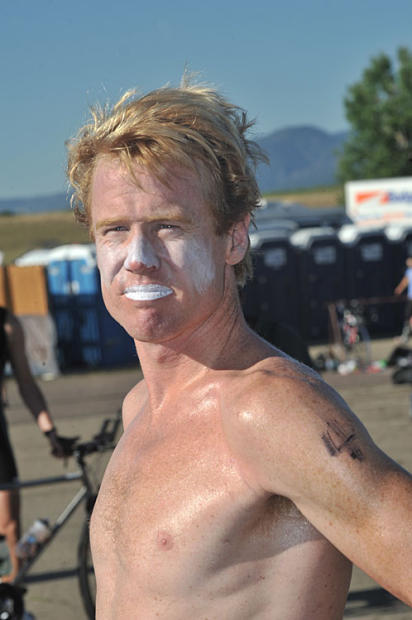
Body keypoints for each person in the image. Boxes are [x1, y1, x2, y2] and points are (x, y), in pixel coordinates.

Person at [67, 80, 412, 619]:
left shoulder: (269, 409)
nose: (137, 257)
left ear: (233, 237)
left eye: (167, 226)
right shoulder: (140, 407)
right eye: (114, 230)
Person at [0, 307, 67, 582]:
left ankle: (10, 593)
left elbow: (26, 383)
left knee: (7, 529)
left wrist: (49, 431)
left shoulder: (7, 324)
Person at [394, 256, 412, 343]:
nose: (408, 263)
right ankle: (405, 336)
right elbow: (405, 282)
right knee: (407, 316)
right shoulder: (408, 271)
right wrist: (399, 289)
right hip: (410, 298)